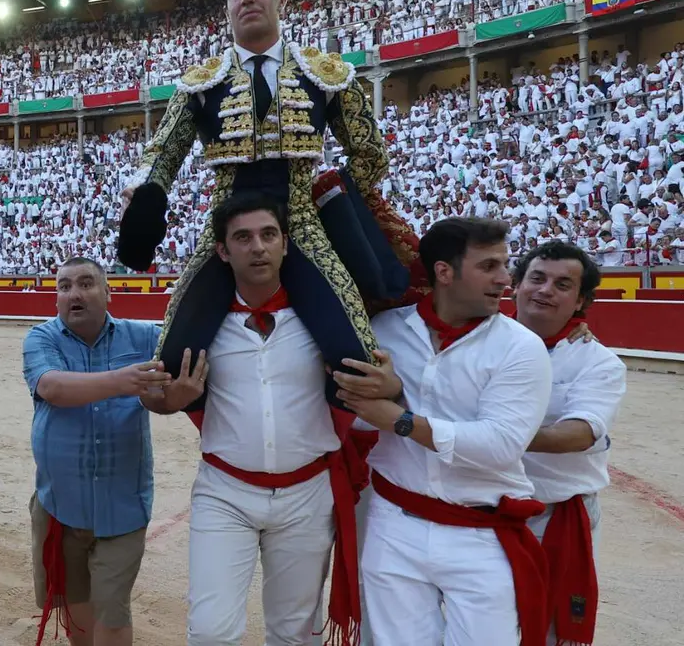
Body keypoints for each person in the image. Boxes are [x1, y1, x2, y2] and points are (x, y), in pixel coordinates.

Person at [118, 0, 419, 413]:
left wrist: (333, 200)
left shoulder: (326, 75)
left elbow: (370, 155)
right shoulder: (200, 84)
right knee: (173, 360)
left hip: (300, 223)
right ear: (227, 6)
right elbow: (163, 153)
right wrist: (148, 194)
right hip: (224, 232)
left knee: (355, 357)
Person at [143, 194, 389, 646]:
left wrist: (390, 385)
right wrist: (170, 401)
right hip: (225, 492)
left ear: (285, 244)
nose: (257, 247)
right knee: (211, 633)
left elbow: (380, 388)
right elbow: (157, 397)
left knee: (294, 634)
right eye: (243, 237)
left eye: (268, 235)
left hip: (307, 495)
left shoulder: (322, 323)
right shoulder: (203, 326)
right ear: (222, 251)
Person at [340, 217, 553, 646]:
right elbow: (357, 417)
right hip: (394, 524)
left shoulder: (521, 347)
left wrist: (401, 419)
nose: (504, 278)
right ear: (444, 272)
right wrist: (389, 397)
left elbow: (500, 445)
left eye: (504, 264)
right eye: (488, 266)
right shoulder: (384, 331)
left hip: (481, 532)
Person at [21, 257, 174, 646]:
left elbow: (186, 361)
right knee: (77, 606)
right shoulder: (41, 338)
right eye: (65, 286)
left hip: (122, 504)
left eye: (86, 283)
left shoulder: (144, 336)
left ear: (108, 293)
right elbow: (52, 387)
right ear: (56, 298)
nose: (74, 293)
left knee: (113, 610)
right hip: (60, 504)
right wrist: (124, 380)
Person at [515, 242, 626, 646]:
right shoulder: (477, 340)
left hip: (552, 516)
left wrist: (494, 436)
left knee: (546, 630)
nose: (545, 290)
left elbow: (581, 433)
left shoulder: (598, 362)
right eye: (537, 278)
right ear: (516, 285)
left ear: (580, 301)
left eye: (563, 285)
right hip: (477, 507)